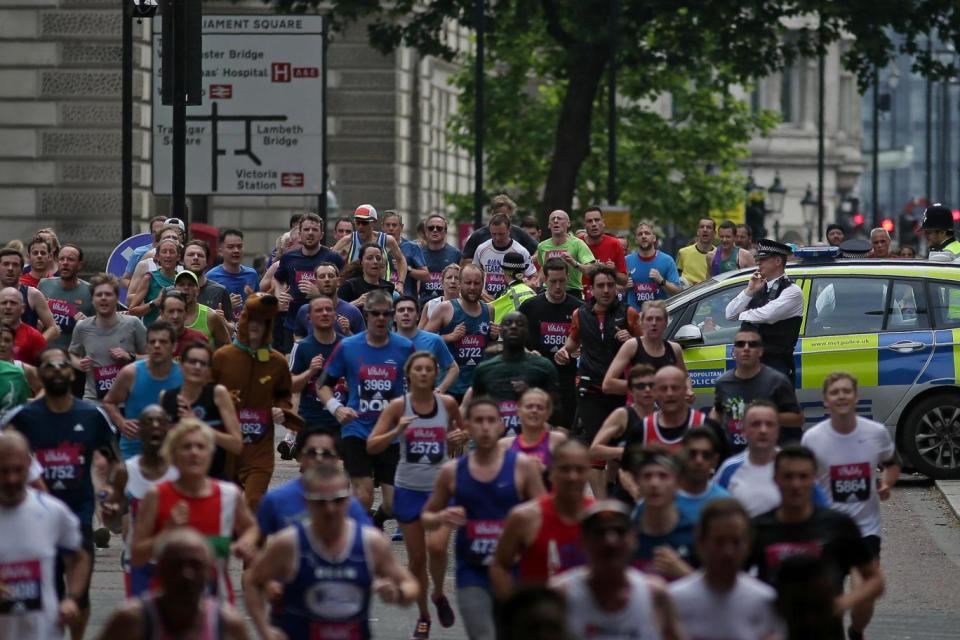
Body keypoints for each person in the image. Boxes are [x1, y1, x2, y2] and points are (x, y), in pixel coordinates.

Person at [1, 347, 122, 640]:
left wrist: (112, 495)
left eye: (62, 365)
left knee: (79, 595)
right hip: (35, 515)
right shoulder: (22, 418)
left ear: (72, 372)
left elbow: (116, 463)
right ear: (39, 374)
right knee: (49, 588)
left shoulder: (92, 415)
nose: (56, 370)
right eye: (49, 366)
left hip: (79, 513)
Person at [244, 465, 419, 640]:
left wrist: (398, 594)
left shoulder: (370, 542)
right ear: (307, 502)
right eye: (321, 501)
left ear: (348, 501)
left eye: (337, 500)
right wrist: (264, 631)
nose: (330, 509)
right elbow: (253, 580)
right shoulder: (289, 543)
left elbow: (410, 585)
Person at [421, 398, 546, 640]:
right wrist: (442, 516)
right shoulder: (453, 471)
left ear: (501, 426)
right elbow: (427, 518)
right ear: (467, 427)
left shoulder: (522, 467)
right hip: (473, 572)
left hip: (516, 569)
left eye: (491, 420)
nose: (486, 427)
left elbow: (545, 514)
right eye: (478, 421)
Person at [366, 351, 465, 638]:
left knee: (436, 548)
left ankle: (437, 593)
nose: (423, 373)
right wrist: (396, 430)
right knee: (417, 558)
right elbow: (372, 445)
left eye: (428, 369)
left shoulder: (446, 403)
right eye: (418, 369)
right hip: (408, 488)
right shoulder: (398, 406)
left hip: (439, 489)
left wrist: (461, 436)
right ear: (408, 375)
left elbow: (464, 431)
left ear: (435, 374)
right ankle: (423, 616)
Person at [749, 445, 885, 640]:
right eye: (788, 476)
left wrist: (843, 603)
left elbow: (875, 580)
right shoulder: (757, 529)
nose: (796, 484)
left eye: (803, 477)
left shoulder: (838, 526)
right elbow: (732, 581)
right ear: (775, 479)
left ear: (814, 480)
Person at [801, 372, 899, 640]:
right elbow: (803, 479)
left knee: (863, 595)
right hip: (827, 530)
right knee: (829, 599)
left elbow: (891, 464)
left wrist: (887, 484)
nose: (841, 396)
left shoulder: (875, 433)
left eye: (846, 391)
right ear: (825, 401)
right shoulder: (813, 439)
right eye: (835, 392)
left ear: (855, 396)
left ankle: (856, 632)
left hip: (865, 531)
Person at [130, 418, 258, 603]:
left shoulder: (229, 494)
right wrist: (167, 533)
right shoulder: (156, 495)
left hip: (216, 603)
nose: (194, 453)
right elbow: (137, 555)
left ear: (210, 454)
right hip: (167, 603)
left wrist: (246, 542)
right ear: (172, 455)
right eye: (186, 447)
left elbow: (251, 528)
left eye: (200, 447)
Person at [316, 290, 414, 516]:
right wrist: (337, 408)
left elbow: (417, 383)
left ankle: (375, 522)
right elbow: (322, 385)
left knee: (392, 505)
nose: (381, 318)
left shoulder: (404, 347)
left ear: (392, 316)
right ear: (366, 315)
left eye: (386, 314)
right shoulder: (349, 346)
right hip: (356, 429)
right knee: (363, 495)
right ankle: (357, 539)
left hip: (390, 432)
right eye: (375, 313)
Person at [212, 293, 302, 510]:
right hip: (228, 447)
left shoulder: (277, 361)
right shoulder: (223, 357)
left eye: (263, 321)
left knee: (254, 502)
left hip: (260, 448)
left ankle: (256, 542)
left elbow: (284, 396)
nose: (256, 326)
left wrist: (281, 411)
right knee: (229, 506)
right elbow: (207, 395)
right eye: (251, 319)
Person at [554, 265, 639, 496]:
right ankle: (602, 505)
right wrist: (563, 352)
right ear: (590, 289)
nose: (606, 290)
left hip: (621, 390)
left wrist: (631, 338)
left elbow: (644, 347)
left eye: (610, 285)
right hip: (590, 389)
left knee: (619, 447)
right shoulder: (580, 314)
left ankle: (612, 491)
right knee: (594, 448)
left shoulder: (629, 313)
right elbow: (572, 342)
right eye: (600, 286)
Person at [549, 500, 684, 640]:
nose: (610, 541)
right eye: (599, 533)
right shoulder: (561, 595)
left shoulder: (654, 594)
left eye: (620, 532)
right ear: (582, 542)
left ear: (634, 540)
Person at [0, 430, 90, 640]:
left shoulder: (52, 511)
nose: (12, 478)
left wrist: (73, 598)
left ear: (30, 468)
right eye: (3, 471)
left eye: (18, 470)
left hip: (44, 633)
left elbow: (79, 556)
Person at [98, 528, 250, 640]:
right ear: (160, 570)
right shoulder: (132, 620)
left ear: (209, 572)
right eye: (176, 565)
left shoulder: (227, 623)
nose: (186, 574)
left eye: (195, 565)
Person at [491, 440, 593, 598]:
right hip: (538, 616)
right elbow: (500, 566)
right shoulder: (524, 517)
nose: (572, 476)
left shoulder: (602, 516)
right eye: (565, 469)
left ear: (589, 473)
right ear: (551, 473)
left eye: (580, 470)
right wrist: (512, 608)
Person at [668, 499, 781, 640]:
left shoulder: (764, 601)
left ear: (748, 545)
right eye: (719, 542)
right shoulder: (675, 600)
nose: (728, 552)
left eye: (736, 542)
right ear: (701, 543)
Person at [100, 405, 179, 597]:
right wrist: (110, 512)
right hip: (138, 563)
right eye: (148, 423)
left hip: (174, 561)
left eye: (160, 422)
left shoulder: (180, 471)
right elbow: (113, 520)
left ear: (169, 430)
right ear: (138, 431)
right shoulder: (124, 471)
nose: (154, 427)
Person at [257, 426, 372, 538]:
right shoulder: (276, 501)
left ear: (337, 458)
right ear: (299, 456)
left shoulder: (350, 506)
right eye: (312, 453)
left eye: (326, 453)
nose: (319, 459)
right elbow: (255, 538)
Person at [708, 327, 803, 453]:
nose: (746, 348)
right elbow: (718, 411)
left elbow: (798, 419)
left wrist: (765, 417)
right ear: (734, 351)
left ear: (760, 351)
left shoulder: (778, 381)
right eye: (740, 344)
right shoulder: (723, 382)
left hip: (769, 454)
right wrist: (710, 427)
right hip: (734, 454)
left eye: (752, 345)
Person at [159, 342, 242, 480]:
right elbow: (162, 447)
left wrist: (199, 425)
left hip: (213, 480)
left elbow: (236, 445)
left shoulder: (217, 394)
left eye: (203, 363)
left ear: (209, 371)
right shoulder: (166, 397)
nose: (197, 367)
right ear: (181, 365)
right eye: (192, 362)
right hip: (176, 481)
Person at [725, 238, 803, 383]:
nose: (758, 263)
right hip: (751, 365)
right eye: (758, 259)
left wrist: (742, 315)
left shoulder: (792, 291)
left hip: (776, 366)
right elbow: (729, 314)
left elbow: (767, 315)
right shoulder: (759, 286)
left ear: (778, 261)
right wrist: (749, 291)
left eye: (764, 259)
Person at [469, 312, 559, 436]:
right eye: (508, 323)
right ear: (501, 331)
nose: (514, 327)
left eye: (520, 324)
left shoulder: (544, 367)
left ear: (527, 332)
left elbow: (556, 410)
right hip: (494, 442)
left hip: (532, 443)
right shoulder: (484, 369)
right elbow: (476, 409)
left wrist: (530, 393)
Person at [103, 320, 183, 459]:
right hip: (133, 451)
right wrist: (122, 422)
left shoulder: (183, 375)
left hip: (171, 452)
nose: (157, 346)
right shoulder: (130, 373)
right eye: (152, 342)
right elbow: (109, 402)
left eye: (163, 342)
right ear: (146, 346)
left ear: (174, 346)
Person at [519, 258, 582, 429]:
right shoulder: (530, 307)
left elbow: (587, 342)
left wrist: (576, 350)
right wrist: (527, 353)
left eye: (562, 281)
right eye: (553, 281)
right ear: (545, 280)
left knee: (562, 433)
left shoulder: (578, 309)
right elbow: (514, 342)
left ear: (567, 278)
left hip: (566, 382)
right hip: (536, 380)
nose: (558, 286)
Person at [274, 213, 346, 351]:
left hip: (324, 324)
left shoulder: (333, 258)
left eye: (315, 230)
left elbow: (342, 289)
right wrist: (279, 295)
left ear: (322, 234)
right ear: (300, 234)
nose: (310, 233)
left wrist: (318, 294)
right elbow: (278, 279)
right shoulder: (288, 258)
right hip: (292, 323)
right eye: (306, 230)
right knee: (292, 365)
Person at [423, 263, 495, 403]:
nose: (472, 288)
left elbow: (488, 348)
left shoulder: (489, 310)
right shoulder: (445, 308)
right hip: (449, 386)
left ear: (483, 284)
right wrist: (449, 337)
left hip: (477, 386)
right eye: (468, 283)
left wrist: (494, 337)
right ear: (460, 284)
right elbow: (423, 341)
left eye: (477, 283)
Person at [68, 273, 146, 401]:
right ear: (92, 300)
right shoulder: (82, 327)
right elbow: (72, 354)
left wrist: (130, 357)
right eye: (99, 295)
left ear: (116, 298)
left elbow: (152, 357)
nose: (103, 298)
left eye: (108, 294)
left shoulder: (133, 323)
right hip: (93, 399)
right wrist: (79, 364)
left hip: (126, 400)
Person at [627, 447, 697, 579]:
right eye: (647, 476)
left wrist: (684, 573)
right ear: (637, 482)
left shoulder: (694, 533)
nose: (654, 483)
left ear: (678, 483)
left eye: (663, 476)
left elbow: (712, 593)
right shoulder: (626, 535)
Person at [589, 364, 657, 495]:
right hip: (628, 488)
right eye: (640, 386)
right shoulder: (623, 415)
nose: (647, 390)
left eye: (651, 385)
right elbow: (594, 451)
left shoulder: (663, 415)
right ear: (630, 390)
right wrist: (628, 451)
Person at [289, 295, 347, 439]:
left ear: (335, 315)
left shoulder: (348, 345)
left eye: (328, 310)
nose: (325, 313)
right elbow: (290, 387)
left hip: (343, 422)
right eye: (319, 310)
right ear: (309, 317)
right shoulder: (302, 347)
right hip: (310, 422)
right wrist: (310, 372)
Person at [602, 300, 685, 396]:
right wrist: (644, 387)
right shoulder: (632, 346)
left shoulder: (674, 348)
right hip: (638, 409)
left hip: (666, 409)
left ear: (666, 323)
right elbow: (607, 385)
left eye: (658, 319)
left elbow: (684, 378)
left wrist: (688, 391)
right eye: (649, 319)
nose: (654, 323)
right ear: (641, 322)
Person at [332, 204, 407, 289]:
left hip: (381, 289)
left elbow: (401, 260)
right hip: (354, 292)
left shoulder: (387, 240)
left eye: (364, 223)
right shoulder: (347, 241)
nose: (360, 226)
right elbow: (329, 262)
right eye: (357, 222)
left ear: (373, 222)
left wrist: (400, 283)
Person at [393, 296, 459, 393]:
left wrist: (441, 389)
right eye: (401, 310)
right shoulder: (386, 342)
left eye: (410, 310)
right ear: (394, 316)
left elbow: (453, 368)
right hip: (393, 401)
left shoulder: (434, 340)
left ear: (418, 316)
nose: (406, 313)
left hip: (424, 401)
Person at [38, 243, 93, 351]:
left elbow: (101, 329)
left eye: (70, 259)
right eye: (61, 259)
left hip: (75, 357)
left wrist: (87, 323)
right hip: (45, 356)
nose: (65, 263)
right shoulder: (44, 284)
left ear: (80, 265)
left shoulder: (91, 291)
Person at [498, 388, 567, 474]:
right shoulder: (504, 445)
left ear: (548, 413)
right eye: (529, 406)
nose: (534, 410)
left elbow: (568, 477)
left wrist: (545, 470)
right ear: (518, 411)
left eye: (540, 407)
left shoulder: (557, 440)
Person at [473, 213, 538, 301]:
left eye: (501, 234)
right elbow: (474, 274)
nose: (497, 238)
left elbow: (534, 277)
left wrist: (526, 285)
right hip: (486, 299)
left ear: (509, 230)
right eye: (493, 234)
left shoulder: (520, 251)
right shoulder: (482, 249)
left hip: (511, 300)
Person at [0, 247, 59, 343]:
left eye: (15, 265)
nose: (10, 268)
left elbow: (53, 329)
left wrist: (34, 345)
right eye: (6, 264)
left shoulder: (33, 294)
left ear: (21, 270)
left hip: (24, 355)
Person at [535, 209, 597, 298]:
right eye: (553, 219)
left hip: (572, 291)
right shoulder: (542, 246)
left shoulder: (578, 244)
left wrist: (574, 263)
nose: (556, 221)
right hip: (548, 291)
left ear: (568, 223)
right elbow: (542, 268)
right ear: (549, 225)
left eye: (559, 218)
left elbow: (592, 271)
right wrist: (537, 281)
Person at [292, 262, 365, 338]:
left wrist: (347, 332)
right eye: (322, 276)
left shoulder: (352, 312)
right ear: (316, 283)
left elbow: (362, 343)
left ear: (338, 281)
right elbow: (298, 335)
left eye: (330, 276)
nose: (327, 279)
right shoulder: (305, 310)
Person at [460, 194, 539, 264]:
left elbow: (540, 249)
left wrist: (526, 262)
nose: (506, 220)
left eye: (509, 217)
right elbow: (465, 261)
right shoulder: (478, 235)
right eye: (494, 234)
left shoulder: (518, 232)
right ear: (492, 214)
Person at [205, 228, 261, 322]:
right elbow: (206, 310)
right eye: (230, 247)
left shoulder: (252, 274)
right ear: (220, 251)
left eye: (240, 246)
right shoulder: (211, 277)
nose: (236, 250)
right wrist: (227, 305)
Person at [674, 428, 729, 522]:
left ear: (715, 460)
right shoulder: (664, 499)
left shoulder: (724, 502)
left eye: (706, 455)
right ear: (682, 456)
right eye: (692, 454)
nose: (699, 460)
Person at [625, 221, 682, 309]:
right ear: (636, 240)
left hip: (658, 316)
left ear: (654, 238)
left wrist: (662, 281)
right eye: (640, 234)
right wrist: (624, 286)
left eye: (647, 233)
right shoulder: (627, 260)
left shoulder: (667, 260)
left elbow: (678, 291)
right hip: (634, 318)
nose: (643, 236)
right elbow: (615, 289)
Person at [126, 236, 182, 326]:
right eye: (164, 252)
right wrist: (155, 302)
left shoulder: (183, 280)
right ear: (157, 256)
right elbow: (132, 310)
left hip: (176, 335)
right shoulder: (149, 278)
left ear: (178, 256)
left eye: (172, 252)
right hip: (153, 334)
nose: (168, 255)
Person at [174, 270, 231, 347]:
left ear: (198, 290)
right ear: (174, 290)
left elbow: (227, 346)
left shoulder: (211, 316)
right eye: (181, 284)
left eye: (190, 284)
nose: (186, 288)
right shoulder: (166, 316)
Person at [580, 206, 628, 299]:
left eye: (597, 220)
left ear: (603, 222)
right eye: (589, 221)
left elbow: (624, 280)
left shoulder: (615, 244)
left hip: (607, 301)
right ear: (584, 225)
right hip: (581, 301)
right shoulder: (577, 244)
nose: (594, 224)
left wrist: (613, 271)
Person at [183, 239, 234, 322]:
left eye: (200, 255)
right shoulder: (171, 291)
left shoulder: (220, 291)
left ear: (207, 262)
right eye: (191, 254)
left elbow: (231, 329)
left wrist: (221, 321)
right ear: (182, 260)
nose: (195, 258)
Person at [382, 210, 430, 297]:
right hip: (383, 299)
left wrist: (407, 269)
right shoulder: (377, 246)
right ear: (382, 227)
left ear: (401, 227)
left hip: (407, 299)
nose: (391, 228)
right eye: (388, 225)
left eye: (394, 225)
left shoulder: (412, 247)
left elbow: (426, 276)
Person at [420, 214, 462, 307]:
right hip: (422, 305)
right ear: (426, 231)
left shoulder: (456, 253)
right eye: (431, 228)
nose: (435, 230)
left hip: (449, 306)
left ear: (445, 232)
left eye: (439, 228)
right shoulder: (418, 253)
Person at [338, 242, 399, 306]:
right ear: (361, 261)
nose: (375, 262)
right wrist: (356, 303)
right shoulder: (350, 285)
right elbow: (338, 310)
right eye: (370, 258)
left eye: (378, 258)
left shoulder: (389, 286)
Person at [0, 286, 47, 365]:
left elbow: (41, 372)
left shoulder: (35, 337)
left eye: (13, 303)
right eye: (4, 303)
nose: (8, 307)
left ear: (23, 308)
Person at [121, 215, 168, 290]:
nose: (157, 235)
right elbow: (124, 280)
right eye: (154, 232)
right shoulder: (139, 252)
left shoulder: (176, 252)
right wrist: (139, 289)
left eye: (161, 232)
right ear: (151, 233)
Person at [490, 251, 538, 323]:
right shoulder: (532, 292)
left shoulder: (506, 294)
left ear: (504, 271)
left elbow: (490, 310)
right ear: (523, 272)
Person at [156, 289, 207, 357]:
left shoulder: (198, 339)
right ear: (162, 314)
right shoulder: (154, 340)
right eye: (171, 311)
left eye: (180, 311)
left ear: (186, 313)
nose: (175, 316)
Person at [0, 324, 36, 408]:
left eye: (7, 340)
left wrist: (26, 405)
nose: (2, 344)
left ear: (14, 345)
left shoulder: (22, 368)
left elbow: (45, 390)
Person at [676, 217, 716, 286]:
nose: (705, 230)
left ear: (714, 233)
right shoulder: (683, 252)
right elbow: (675, 280)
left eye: (709, 227)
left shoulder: (718, 255)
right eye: (702, 227)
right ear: (697, 232)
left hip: (709, 294)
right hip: (689, 295)